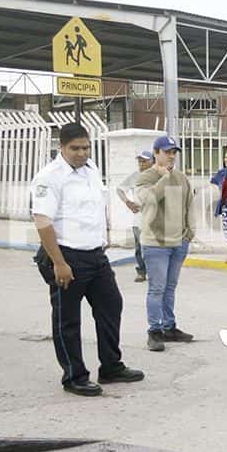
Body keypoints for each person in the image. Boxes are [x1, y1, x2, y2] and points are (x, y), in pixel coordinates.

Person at [30, 122, 144, 397]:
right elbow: (42, 221)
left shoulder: (91, 169)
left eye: (85, 147)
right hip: (67, 255)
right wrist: (58, 262)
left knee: (111, 306)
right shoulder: (50, 176)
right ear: (61, 147)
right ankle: (74, 375)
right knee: (67, 319)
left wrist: (103, 236)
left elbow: (96, 206)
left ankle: (111, 366)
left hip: (95, 255)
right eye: (75, 148)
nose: (81, 153)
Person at [135, 135, 197, 352]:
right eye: (167, 151)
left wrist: (190, 233)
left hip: (179, 242)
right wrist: (163, 178)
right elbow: (148, 200)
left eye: (174, 152)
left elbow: (189, 205)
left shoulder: (181, 178)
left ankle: (169, 327)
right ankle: (154, 331)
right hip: (155, 243)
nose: (171, 156)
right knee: (157, 288)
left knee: (170, 288)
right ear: (156, 153)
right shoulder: (145, 177)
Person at [116, 150, 153, 282]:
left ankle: (155, 272)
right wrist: (128, 202)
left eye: (144, 161)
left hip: (154, 218)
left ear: (152, 162)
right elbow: (119, 189)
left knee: (153, 246)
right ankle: (141, 272)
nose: (141, 164)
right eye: (140, 161)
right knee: (140, 247)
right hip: (138, 218)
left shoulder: (158, 176)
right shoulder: (135, 176)